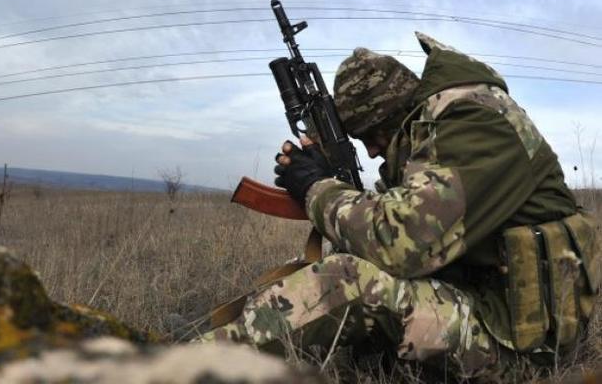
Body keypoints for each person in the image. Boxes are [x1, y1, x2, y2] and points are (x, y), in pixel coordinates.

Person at [198, 32, 600, 381]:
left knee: (348, 280)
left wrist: (317, 188)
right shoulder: (442, 129)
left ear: (397, 116)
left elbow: (399, 245)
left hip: (522, 348)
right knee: (334, 268)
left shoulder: (475, 122)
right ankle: (215, 334)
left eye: (373, 136)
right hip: (486, 307)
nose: (372, 152)